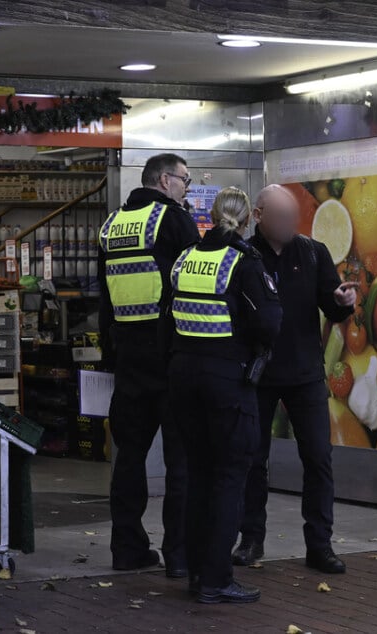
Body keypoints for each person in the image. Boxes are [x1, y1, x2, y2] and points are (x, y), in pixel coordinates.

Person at [232, 184, 358, 574]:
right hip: (258, 373)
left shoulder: (313, 252)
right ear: (258, 216)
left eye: (294, 218)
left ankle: (319, 544)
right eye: (282, 218)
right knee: (253, 461)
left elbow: (330, 305)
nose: (291, 225)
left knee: (318, 458)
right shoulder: (243, 256)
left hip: (304, 373)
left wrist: (341, 304)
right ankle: (251, 539)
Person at [166, 187, 282, 604]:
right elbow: (268, 323)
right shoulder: (243, 262)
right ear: (249, 219)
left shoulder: (186, 258)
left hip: (183, 377)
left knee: (197, 476)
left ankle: (197, 572)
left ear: (210, 215)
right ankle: (216, 578)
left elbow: (169, 313)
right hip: (228, 382)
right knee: (230, 477)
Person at [97, 153, 199, 576]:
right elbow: (196, 283)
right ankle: (178, 555)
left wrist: (110, 356)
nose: (186, 189)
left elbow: (103, 298)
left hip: (129, 362)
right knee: (181, 462)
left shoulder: (111, 225)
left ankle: (126, 548)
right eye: (185, 181)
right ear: (164, 180)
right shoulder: (172, 220)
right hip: (171, 358)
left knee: (129, 459)